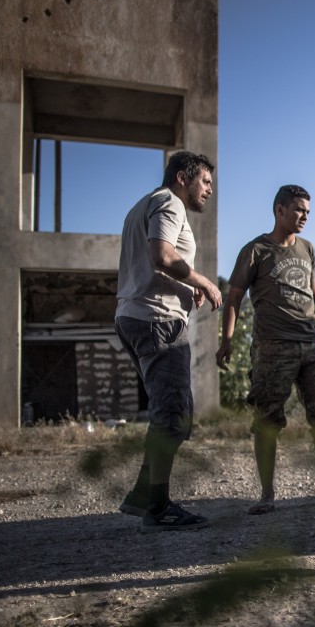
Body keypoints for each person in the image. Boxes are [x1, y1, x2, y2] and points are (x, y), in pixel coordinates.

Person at [216, 184, 315, 514]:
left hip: (312, 344)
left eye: (308, 212)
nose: (304, 217)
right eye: (298, 210)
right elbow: (234, 298)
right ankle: (267, 495)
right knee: (267, 419)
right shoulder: (255, 250)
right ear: (279, 209)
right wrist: (226, 340)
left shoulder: (308, 248)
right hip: (273, 345)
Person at [115, 150, 223, 533]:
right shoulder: (169, 202)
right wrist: (204, 282)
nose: (210, 189)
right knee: (175, 414)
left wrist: (181, 285)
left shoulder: (141, 206)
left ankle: (144, 495)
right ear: (182, 177)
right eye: (205, 181)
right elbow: (161, 255)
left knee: (165, 410)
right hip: (157, 321)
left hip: (135, 316)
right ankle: (157, 507)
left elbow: (151, 265)